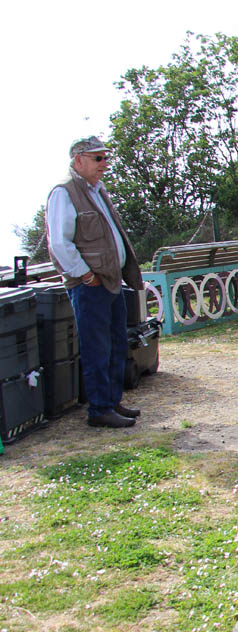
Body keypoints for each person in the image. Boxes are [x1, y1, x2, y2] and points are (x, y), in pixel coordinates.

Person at [46, 136, 145, 429]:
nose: (105, 164)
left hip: (110, 282)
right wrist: (86, 275)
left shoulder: (96, 190)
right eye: (98, 158)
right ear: (78, 160)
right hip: (90, 286)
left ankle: (112, 402)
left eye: (105, 158)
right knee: (96, 348)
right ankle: (99, 409)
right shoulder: (64, 193)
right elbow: (60, 243)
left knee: (115, 344)